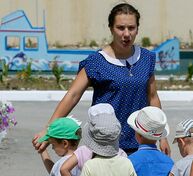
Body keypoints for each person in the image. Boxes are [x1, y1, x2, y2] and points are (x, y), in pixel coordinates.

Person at [32, 3, 170, 155]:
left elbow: (152, 97)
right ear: (111, 28)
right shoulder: (96, 62)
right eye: (120, 28)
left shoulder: (146, 58)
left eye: (131, 28)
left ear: (137, 29)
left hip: (141, 144)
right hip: (105, 145)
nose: (126, 34)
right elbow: (72, 96)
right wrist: (48, 129)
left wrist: (161, 136)